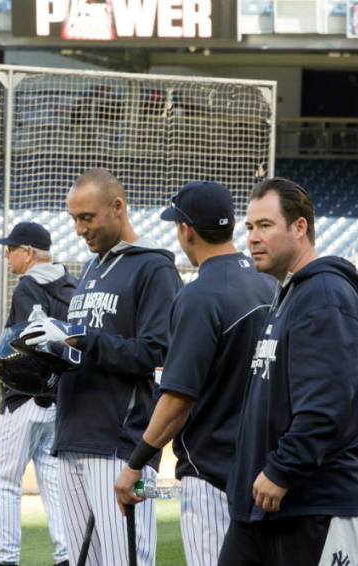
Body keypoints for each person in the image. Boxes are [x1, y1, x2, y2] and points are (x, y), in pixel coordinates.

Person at [20, 168, 183, 566]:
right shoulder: (92, 268)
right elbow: (86, 352)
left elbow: (156, 352)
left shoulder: (154, 267)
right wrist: (46, 362)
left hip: (118, 443)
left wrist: (77, 337)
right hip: (72, 433)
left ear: (117, 207)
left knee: (124, 560)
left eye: (86, 218)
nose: (78, 229)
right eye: (74, 218)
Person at [113, 181, 277, 566]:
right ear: (234, 225)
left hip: (211, 474)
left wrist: (135, 463)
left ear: (186, 230)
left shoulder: (199, 294)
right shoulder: (270, 283)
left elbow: (178, 399)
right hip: (266, 469)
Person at [219, 177, 358, 566]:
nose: (252, 237)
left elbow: (325, 404)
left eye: (265, 226)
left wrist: (283, 468)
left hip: (312, 505)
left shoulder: (324, 295)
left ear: (299, 227)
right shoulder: (289, 295)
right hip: (264, 507)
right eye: (249, 227)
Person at [0, 221, 75, 566]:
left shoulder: (27, 286)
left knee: (6, 481)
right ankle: (67, 557)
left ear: (27, 253)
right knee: (54, 484)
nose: (6, 255)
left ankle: (5, 560)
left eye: (10, 249)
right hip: (59, 402)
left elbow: (31, 346)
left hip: (24, 400)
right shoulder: (73, 284)